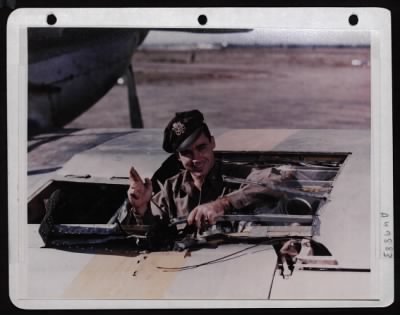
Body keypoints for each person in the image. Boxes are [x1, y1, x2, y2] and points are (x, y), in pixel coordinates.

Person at [117, 109, 309, 230]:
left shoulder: (239, 175)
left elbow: (281, 179)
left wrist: (222, 204)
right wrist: (141, 209)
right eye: (187, 153)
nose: (196, 159)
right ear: (178, 157)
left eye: (201, 148)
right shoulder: (170, 190)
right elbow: (151, 234)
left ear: (213, 143)